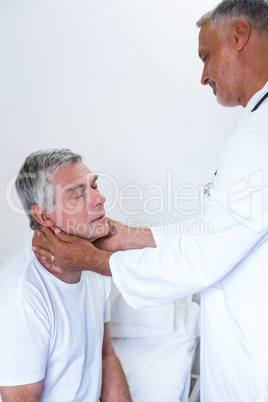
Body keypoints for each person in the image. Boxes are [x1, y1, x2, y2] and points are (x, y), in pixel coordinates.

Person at [33, 0, 268, 400]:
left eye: (206, 57)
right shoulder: (254, 126)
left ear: (240, 35)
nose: (203, 75)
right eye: (77, 192)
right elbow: (218, 231)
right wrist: (128, 237)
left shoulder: (260, 137)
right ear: (41, 214)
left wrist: (95, 261)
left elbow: (204, 255)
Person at [0, 149, 132, 402]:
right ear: (44, 216)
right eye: (79, 194)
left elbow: (105, 354)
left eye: (94, 186)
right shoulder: (20, 299)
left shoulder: (93, 262)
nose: (100, 198)